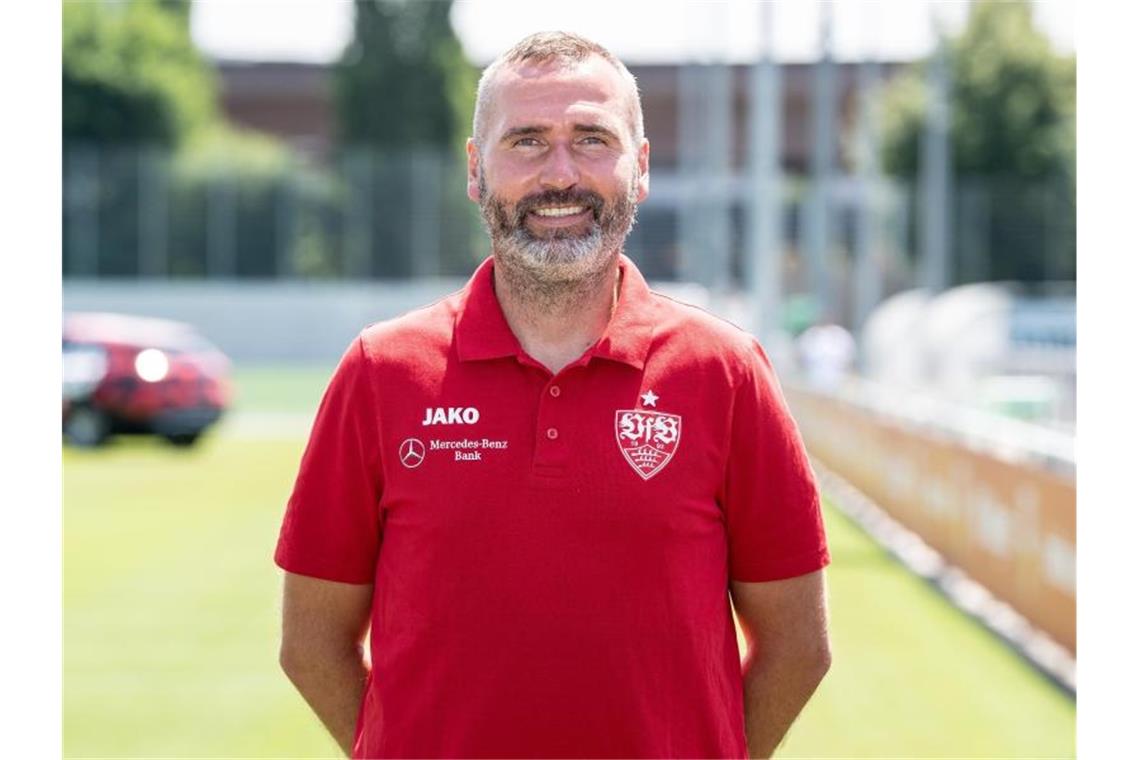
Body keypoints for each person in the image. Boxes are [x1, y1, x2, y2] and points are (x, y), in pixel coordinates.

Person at [275, 31, 831, 759]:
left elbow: (799, 646)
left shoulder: (725, 373)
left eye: (592, 139)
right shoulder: (382, 372)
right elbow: (311, 640)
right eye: (528, 142)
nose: (560, 175)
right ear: (476, 170)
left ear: (642, 167)